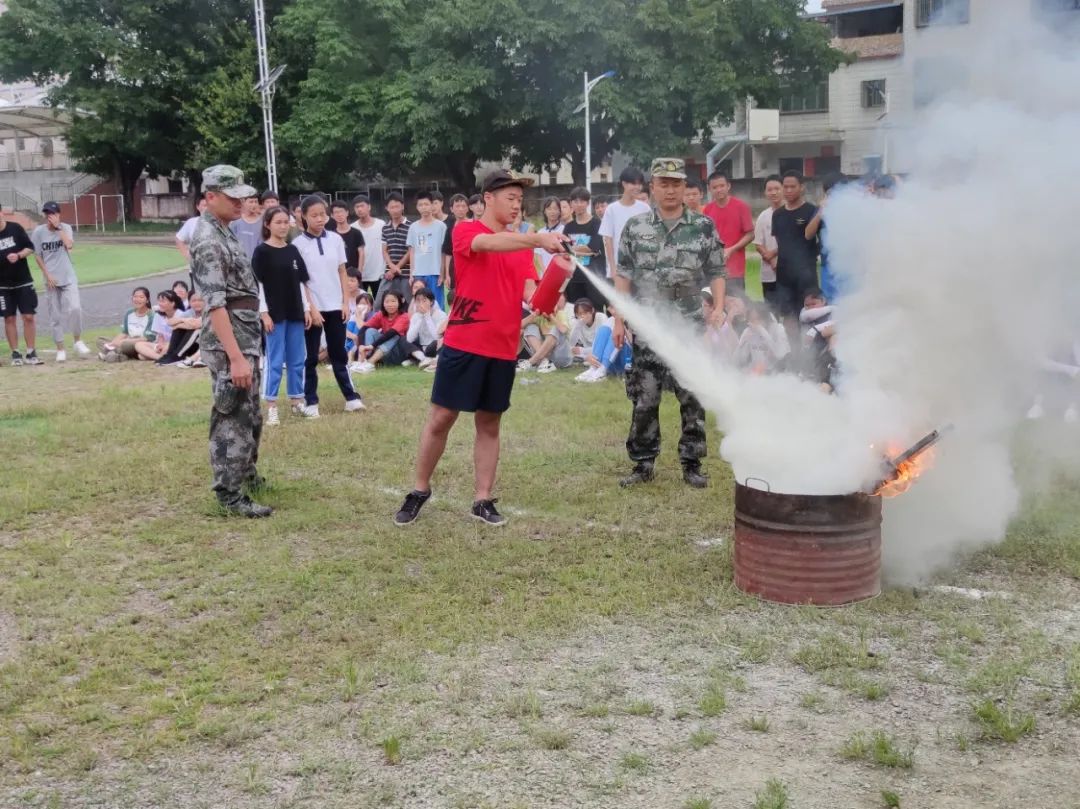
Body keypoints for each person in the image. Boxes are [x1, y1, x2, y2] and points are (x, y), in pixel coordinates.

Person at [394, 169, 567, 527]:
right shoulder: (467, 231)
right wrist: (536, 239)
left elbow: (530, 293)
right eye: (511, 198)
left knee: (490, 423)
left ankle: (483, 498)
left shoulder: (522, 248)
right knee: (442, 417)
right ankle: (419, 489)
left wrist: (552, 292)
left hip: (503, 347)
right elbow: (488, 245)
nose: (517, 205)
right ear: (488, 197)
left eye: (521, 200)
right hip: (465, 341)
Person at [613, 157, 726, 489]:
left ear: (685, 187)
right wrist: (619, 319)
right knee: (645, 397)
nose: (671, 190)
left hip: (689, 323)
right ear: (653, 187)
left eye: (677, 183)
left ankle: (692, 463)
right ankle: (643, 462)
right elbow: (623, 276)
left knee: (692, 394)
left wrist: (718, 307)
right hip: (648, 324)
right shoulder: (636, 227)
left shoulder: (703, 226)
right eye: (664, 183)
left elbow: (718, 271)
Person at [188, 165, 272, 518]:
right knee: (231, 416)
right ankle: (229, 494)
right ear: (210, 197)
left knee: (249, 412)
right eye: (232, 196)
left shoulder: (224, 230)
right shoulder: (208, 239)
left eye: (243, 195)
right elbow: (216, 303)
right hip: (229, 340)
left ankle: (246, 475)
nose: (241, 202)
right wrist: (235, 357)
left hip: (244, 332)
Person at [292, 195, 366, 417]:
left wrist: (345, 302)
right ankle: (311, 401)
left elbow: (342, 271)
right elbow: (301, 281)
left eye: (322, 214)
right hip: (313, 308)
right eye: (314, 215)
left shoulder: (334, 239)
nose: (319, 219)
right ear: (303, 216)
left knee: (338, 354)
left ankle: (351, 397)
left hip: (336, 306)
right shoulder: (297, 245)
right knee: (311, 357)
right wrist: (311, 308)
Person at [253, 205, 312, 426]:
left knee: (297, 359)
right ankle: (271, 406)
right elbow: (258, 285)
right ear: (267, 225)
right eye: (278, 222)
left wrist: (306, 308)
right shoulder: (262, 252)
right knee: (275, 360)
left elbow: (301, 282)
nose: (283, 226)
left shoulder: (293, 250)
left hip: (295, 311)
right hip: (274, 314)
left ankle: (297, 401)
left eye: (286, 222)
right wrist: (264, 313)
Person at [31, 202, 90, 361]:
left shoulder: (66, 228)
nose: (49, 216)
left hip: (68, 276)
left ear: (58, 214)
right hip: (51, 279)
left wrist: (58, 228)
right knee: (55, 315)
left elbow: (69, 245)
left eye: (53, 213)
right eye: (47, 214)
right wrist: (47, 274)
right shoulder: (38, 232)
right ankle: (60, 348)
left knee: (75, 308)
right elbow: (37, 255)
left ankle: (77, 340)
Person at [771, 170, 820, 327]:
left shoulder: (812, 210)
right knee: (788, 316)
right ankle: (793, 350)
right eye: (785, 187)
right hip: (784, 275)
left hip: (807, 274)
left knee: (810, 313)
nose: (789, 190)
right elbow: (780, 242)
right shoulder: (777, 214)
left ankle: (810, 349)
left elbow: (817, 239)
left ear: (802, 187)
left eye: (793, 186)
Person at [0, 208, 42, 365]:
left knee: (28, 317)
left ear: (1, 213)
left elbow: (30, 247)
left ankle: (31, 352)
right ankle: (15, 353)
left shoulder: (15, 228)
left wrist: (18, 255)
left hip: (23, 281)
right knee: (9, 318)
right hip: (2, 286)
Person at [703, 170, 754, 297]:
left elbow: (750, 234)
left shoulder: (741, 206)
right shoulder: (708, 209)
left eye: (722, 186)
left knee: (736, 306)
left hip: (735, 270)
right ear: (709, 189)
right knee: (713, 307)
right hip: (714, 269)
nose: (719, 190)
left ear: (728, 186)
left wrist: (731, 249)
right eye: (715, 187)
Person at [599, 166, 650, 279]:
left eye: (639, 184)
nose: (637, 187)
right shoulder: (612, 209)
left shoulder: (645, 208)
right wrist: (612, 268)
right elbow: (608, 240)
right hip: (619, 269)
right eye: (633, 183)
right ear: (624, 184)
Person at [561, 186, 607, 312]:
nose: (579, 204)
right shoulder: (568, 227)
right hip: (574, 278)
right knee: (576, 313)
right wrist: (583, 250)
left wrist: (573, 249)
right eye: (575, 201)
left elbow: (593, 247)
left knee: (596, 312)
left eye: (582, 201)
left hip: (594, 277)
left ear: (587, 203)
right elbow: (564, 249)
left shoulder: (596, 223)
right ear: (571, 204)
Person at [407, 191, 449, 310]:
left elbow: (443, 251)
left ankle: (439, 329)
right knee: (420, 306)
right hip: (419, 273)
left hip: (435, 273)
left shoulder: (441, 226)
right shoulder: (413, 227)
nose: (424, 207)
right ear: (417, 207)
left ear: (432, 205)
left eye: (426, 204)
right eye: (420, 205)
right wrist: (411, 274)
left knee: (437, 305)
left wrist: (442, 273)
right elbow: (412, 251)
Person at [805, 173, 843, 303]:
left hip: (850, 266)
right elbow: (808, 234)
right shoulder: (821, 210)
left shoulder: (854, 209)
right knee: (831, 302)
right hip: (827, 265)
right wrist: (821, 212)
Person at [353, 290, 410, 372]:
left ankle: (370, 362)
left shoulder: (404, 316)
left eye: (393, 301)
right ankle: (363, 360)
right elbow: (364, 328)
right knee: (370, 330)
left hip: (397, 353)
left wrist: (372, 346)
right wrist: (361, 345)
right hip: (382, 352)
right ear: (383, 303)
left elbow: (391, 333)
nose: (390, 304)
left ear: (399, 302)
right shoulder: (381, 314)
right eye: (387, 301)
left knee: (395, 336)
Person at [574, 304, 631, 383]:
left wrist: (622, 324)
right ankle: (594, 368)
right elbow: (571, 345)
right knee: (604, 329)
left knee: (617, 335)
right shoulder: (611, 320)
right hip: (611, 363)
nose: (610, 309)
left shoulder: (633, 318)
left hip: (628, 362)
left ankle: (601, 371)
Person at [98, 286, 155, 361]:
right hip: (128, 340)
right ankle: (116, 354)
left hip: (141, 344)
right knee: (100, 340)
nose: (137, 299)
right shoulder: (129, 313)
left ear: (147, 300)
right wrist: (113, 343)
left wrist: (124, 342)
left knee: (125, 345)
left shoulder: (152, 315)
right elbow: (124, 333)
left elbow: (147, 338)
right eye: (135, 297)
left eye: (141, 297)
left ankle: (111, 354)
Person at [753, 174, 784, 312]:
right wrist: (771, 260)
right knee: (772, 311)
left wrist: (774, 253)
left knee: (791, 311)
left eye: (777, 188)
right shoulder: (763, 216)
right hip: (769, 274)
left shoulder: (791, 212)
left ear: (783, 189)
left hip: (790, 272)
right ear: (765, 193)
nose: (773, 192)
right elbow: (758, 244)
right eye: (769, 189)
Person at [734, 302, 790, 374]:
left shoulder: (778, 329)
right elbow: (740, 359)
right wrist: (742, 343)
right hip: (757, 373)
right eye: (751, 320)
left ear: (765, 318)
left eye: (757, 319)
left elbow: (780, 355)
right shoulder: (749, 331)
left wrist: (762, 331)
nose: (754, 323)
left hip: (778, 372)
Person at [379, 191, 412, 306]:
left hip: (406, 273)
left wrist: (396, 268)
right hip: (389, 274)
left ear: (402, 206)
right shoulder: (385, 228)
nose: (395, 210)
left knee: (408, 304)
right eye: (392, 207)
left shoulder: (411, 226)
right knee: (380, 304)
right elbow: (384, 250)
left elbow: (410, 251)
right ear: (387, 208)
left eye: (397, 206)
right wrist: (392, 268)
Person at [156, 291, 205, 366]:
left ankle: (178, 356)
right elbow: (170, 322)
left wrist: (179, 325)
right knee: (177, 329)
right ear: (189, 302)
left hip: (202, 345)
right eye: (194, 301)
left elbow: (196, 324)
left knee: (194, 330)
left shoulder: (208, 311)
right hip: (189, 345)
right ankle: (170, 354)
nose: (197, 303)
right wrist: (183, 320)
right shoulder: (190, 312)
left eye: (200, 300)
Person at [133, 290, 184, 361]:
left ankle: (157, 356)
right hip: (163, 344)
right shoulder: (158, 315)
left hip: (175, 344)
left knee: (142, 356)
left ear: (173, 303)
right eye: (159, 301)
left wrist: (165, 346)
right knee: (138, 345)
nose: (160, 304)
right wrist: (160, 345)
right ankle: (160, 358)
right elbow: (160, 335)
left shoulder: (181, 315)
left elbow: (180, 337)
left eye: (163, 301)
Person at [518, 305, 572, 373]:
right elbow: (519, 325)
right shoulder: (541, 317)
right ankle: (544, 361)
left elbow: (564, 330)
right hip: (545, 359)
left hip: (561, 357)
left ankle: (531, 361)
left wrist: (551, 315)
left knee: (556, 329)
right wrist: (534, 315)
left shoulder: (561, 314)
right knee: (530, 327)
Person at [403, 287, 446, 369]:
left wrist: (427, 315)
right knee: (404, 339)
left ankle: (419, 359)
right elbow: (410, 339)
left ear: (431, 302)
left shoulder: (441, 314)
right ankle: (423, 359)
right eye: (418, 301)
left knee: (437, 342)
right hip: (421, 348)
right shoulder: (416, 316)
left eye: (424, 300)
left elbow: (437, 336)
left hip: (434, 347)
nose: (420, 303)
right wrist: (420, 317)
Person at [351, 194, 385, 297]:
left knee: (380, 305)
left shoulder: (381, 225)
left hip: (378, 273)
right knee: (361, 305)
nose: (360, 209)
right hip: (360, 274)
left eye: (362, 206)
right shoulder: (353, 227)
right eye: (357, 207)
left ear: (369, 207)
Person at [442, 193, 469, 294]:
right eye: (457, 206)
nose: (461, 209)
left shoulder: (474, 224)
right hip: (454, 265)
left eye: (463, 206)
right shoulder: (449, 226)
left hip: (470, 264)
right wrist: (447, 274)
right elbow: (448, 252)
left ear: (468, 208)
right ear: (451, 209)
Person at [330, 200, 366, 274]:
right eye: (336, 212)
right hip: (338, 274)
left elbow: (361, 253)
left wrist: (359, 272)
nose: (339, 215)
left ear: (347, 213)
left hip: (354, 274)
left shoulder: (356, 233)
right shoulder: (331, 235)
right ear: (332, 215)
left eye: (341, 211)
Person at [534, 196, 565, 272]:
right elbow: (538, 255)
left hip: (561, 273)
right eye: (549, 209)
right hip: (545, 274)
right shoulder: (540, 232)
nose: (552, 212)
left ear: (559, 211)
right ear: (545, 211)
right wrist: (544, 270)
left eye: (555, 208)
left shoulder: (564, 230)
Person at [228, 195, 263, 259]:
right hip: (239, 261)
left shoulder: (263, 222)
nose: (254, 204)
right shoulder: (236, 221)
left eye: (256, 202)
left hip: (257, 261)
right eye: (251, 202)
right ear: (244, 203)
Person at [175, 195, 208, 261]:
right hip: (196, 268)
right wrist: (187, 255)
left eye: (209, 206)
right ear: (198, 207)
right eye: (205, 205)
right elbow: (179, 239)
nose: (207, 208)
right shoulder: (192, 222)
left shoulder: (219, 222)